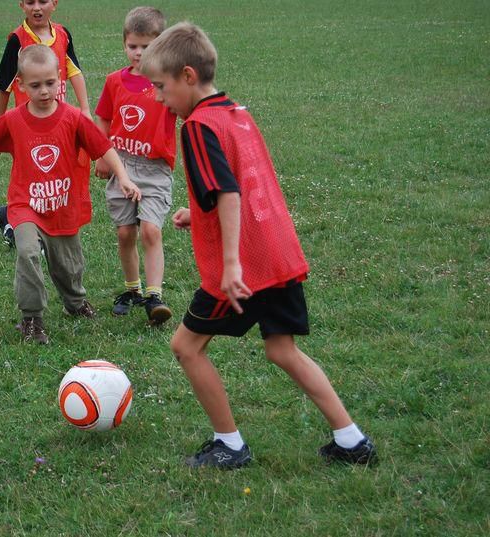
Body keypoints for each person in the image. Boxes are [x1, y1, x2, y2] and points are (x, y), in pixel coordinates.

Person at [139, 23, 377, 468]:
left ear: (188, 76)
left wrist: (231, 264)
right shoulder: (237, 113)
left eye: (160, 86)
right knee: (282, 349)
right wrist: (198, 213)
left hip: (243, 268)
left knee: (186, 347)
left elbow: (229, 192)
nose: (157, 97)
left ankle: (229, 445)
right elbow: (244, 182)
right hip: (277, 253)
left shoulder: (197, 126)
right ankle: (352, 440)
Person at [0, 45, 141, 344]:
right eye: (35, 85)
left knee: (68, 266)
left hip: (62, 206)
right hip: (25, 205)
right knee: (27, 252)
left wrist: (123, 177)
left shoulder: (73, 118)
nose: (44, 91)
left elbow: (103, 147)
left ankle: (75, 302)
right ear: (21, 85)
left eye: (50, 83)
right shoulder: (13, 120)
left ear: (60, 78)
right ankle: (32, 318)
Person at [95, 7, 177, 325]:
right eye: (133, 46)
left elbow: (189, 109)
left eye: (147, 46)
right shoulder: (114, 81)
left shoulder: (168, 82)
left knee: (151, 231)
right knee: (125, 232)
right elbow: (103, 119)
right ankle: (133, 289)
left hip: (155, 168)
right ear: (124, 44)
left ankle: (154, 296)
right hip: (122, 165)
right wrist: (102, 156)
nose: (139, 52)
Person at [0, 0, 92, 247]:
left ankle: (21, 219)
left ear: (54, 3)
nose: (37, 7)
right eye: (30, 2)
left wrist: (85, 109)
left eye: (43, 1)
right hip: (29, 126)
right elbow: (5, 84)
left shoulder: (63, 34)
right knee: (32, 177)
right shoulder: (17, 40)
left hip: (58, 123)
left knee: (58, 174)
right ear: (21, 5)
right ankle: (19, 222)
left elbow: (74, 70)